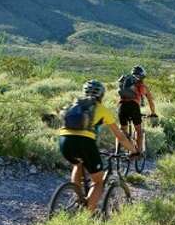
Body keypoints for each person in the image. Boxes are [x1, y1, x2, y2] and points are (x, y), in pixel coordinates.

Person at [59, 79, 137, 211]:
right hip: (85, 143)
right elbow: (120, 137)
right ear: (101, 95)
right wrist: (134, 150)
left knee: (77, 164)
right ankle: (86, 216)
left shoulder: (74, 105)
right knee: (98, 181)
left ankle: (78, 197)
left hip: (64, 141)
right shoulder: (101, 109)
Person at [117, 65, 157, 157]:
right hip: (134, 107)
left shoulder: (125, 83)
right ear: (143, 76)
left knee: (122, 130)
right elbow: (150, 101)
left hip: (121, 106)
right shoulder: (143, 86)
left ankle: (117, 152)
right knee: (139, 130)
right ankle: (137, 153)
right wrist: (153, 113)